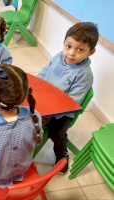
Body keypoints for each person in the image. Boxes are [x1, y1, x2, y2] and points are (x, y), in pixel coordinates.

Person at [37, 22, 99, 174]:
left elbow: (71, 103)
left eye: (80, 49)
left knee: (56, 133)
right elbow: (43, 74)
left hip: (63, 112)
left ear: (90, 52)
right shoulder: (59, 56)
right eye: (68, 46)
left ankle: (61, 155)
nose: (71, 53)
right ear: (64, 44)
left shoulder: (84, 75)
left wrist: (51, 116)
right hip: (46, 100)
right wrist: (35, 90)